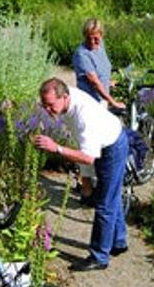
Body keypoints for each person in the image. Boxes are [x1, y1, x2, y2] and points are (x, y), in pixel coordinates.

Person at [33, 79, 129, 271]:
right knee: (111, 195)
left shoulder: (84, 116)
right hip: (105, 141)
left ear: (65, 96)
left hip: (112, 147)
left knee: (104, 204)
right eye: (44, 105)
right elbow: (83, 147)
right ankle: (118, 242)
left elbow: (88, 157)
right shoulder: (67, 100)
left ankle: (99, 256)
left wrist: (57, 148)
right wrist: (85, 179)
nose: (47, 110)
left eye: (50, 105)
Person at [70, 19, 124, 203]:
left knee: (102, 144)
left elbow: (102, 72)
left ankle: (96, 184)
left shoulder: (100, 47)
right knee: (88, 146)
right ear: (85, 37)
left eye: (97, 38)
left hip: (101, 102)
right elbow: (93, 80)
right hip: (89, 104)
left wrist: (110, 83)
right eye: (90, 38)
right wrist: (113, 101)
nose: (94, 42)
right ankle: (86, 190)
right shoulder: (81, 54)